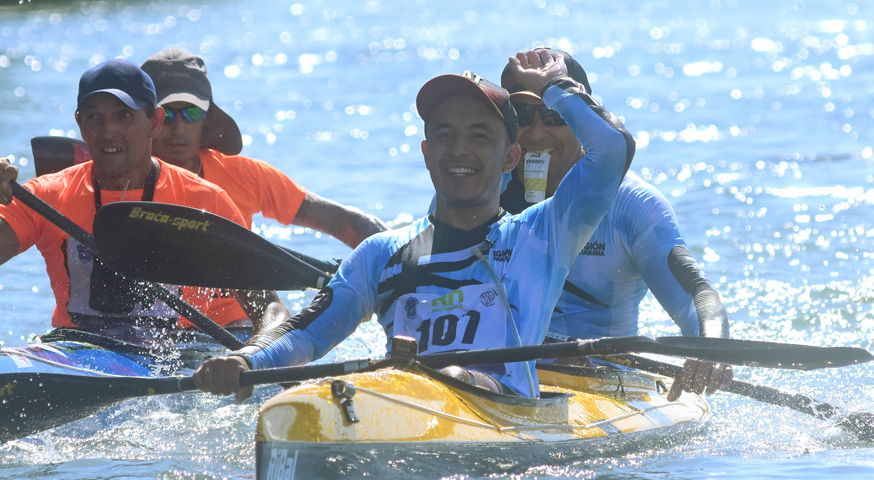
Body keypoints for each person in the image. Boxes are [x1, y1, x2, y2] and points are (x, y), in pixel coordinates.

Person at [193, 47, 634, 401]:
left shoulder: (542, 236)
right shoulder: (380, 254)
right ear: (426, 153)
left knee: (451, 372)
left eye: (479, 136)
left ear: (510, 158)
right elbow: (305, 334)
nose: (459, 150)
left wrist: (557, 87)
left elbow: (612, 150)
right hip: (402, 406)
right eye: (445, 135)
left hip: (506, 413)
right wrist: (248, 361)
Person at [0, 58, 253, 343]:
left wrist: (247, 356)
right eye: (94, 118)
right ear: (80, 124)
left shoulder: (205, 202)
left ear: (154, 121)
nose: (108, 130)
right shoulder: (48, 196)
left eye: (123, 115)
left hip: (177, 356)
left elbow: (271, 311)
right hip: (77, 352)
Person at [500, 50, 732, 400]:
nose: (535, 134)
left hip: (602, 380)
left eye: (554, 116)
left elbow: (694, 296)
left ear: (582, 119)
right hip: (500, 370)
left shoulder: (633, 204)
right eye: (521, 117)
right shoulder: (482, 198)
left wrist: (709, 348)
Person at [142, 47, 387, 246]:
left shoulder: (247, 175)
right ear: (150, 120)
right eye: (168, 115)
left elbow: (344, 223)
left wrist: (404, 261)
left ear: (207, 119)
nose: (180, 128)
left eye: (192, 112)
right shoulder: (118, 180)